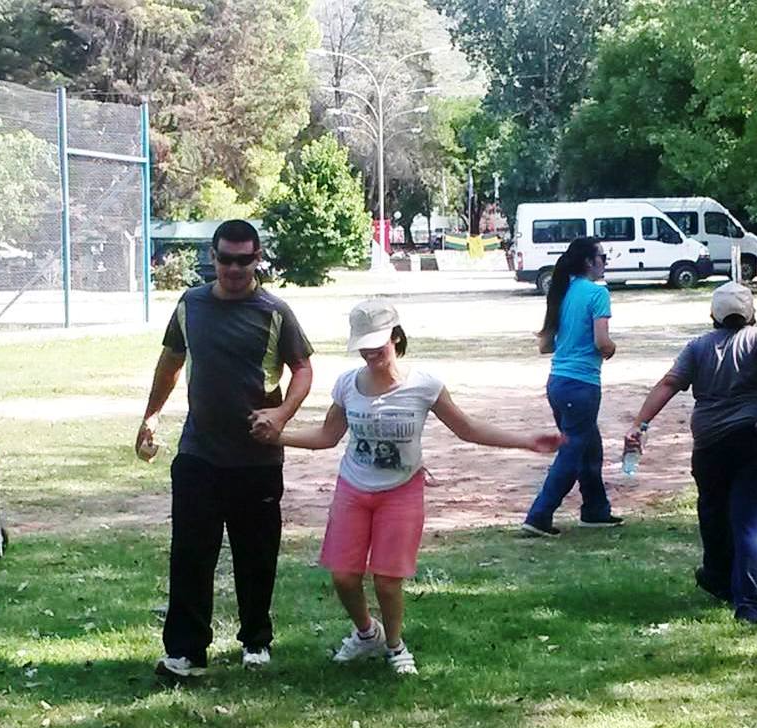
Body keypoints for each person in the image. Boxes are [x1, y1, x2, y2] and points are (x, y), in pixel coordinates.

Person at [265, 299, 560, 675]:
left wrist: (525, 441)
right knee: (343, 575)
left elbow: (467, 429)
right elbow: (327, 436)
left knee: (388, 581)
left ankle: (394, 645)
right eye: (364, 345)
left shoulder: (424, 386)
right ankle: (365, 632)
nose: (372, 352)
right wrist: (278, 437)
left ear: (396, 337)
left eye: (379, 343)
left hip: (400, 490)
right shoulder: (347, 386)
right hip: (353, 488)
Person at [138, 219, 314, 681]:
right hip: (198, 453)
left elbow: (303, 370)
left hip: (256, 458)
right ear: (212, 258)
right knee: (191, 553)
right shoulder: (190, 304)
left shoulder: (274, 311)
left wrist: (280, 417)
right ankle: (186, 652)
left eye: (245, 260)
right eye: (226, 259)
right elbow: (171, 361)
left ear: (258, 260)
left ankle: (255, 640)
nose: (234, 269)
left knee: (256, 554)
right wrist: (151, 416)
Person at [625, 283, 757, 623]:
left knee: (714, 513)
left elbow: (669, 383)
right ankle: (750, 604)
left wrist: (639, 424)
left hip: (709, 444)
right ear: (751, 312)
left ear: (712, 315)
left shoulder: (698, 346)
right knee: (752, 520)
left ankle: (720, 580)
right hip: (755, 438)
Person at [521, 236, 624, 536]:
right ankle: (539, 515)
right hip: (583, 384)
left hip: (558, 382)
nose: (606, 262)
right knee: (573, 449)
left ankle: (595, 510)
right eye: (603, 257)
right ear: (590, 262)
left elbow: (545, 345)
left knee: (590, 446)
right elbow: (601, 342)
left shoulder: (561, 292)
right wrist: (611, 349)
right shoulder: (597, 294)